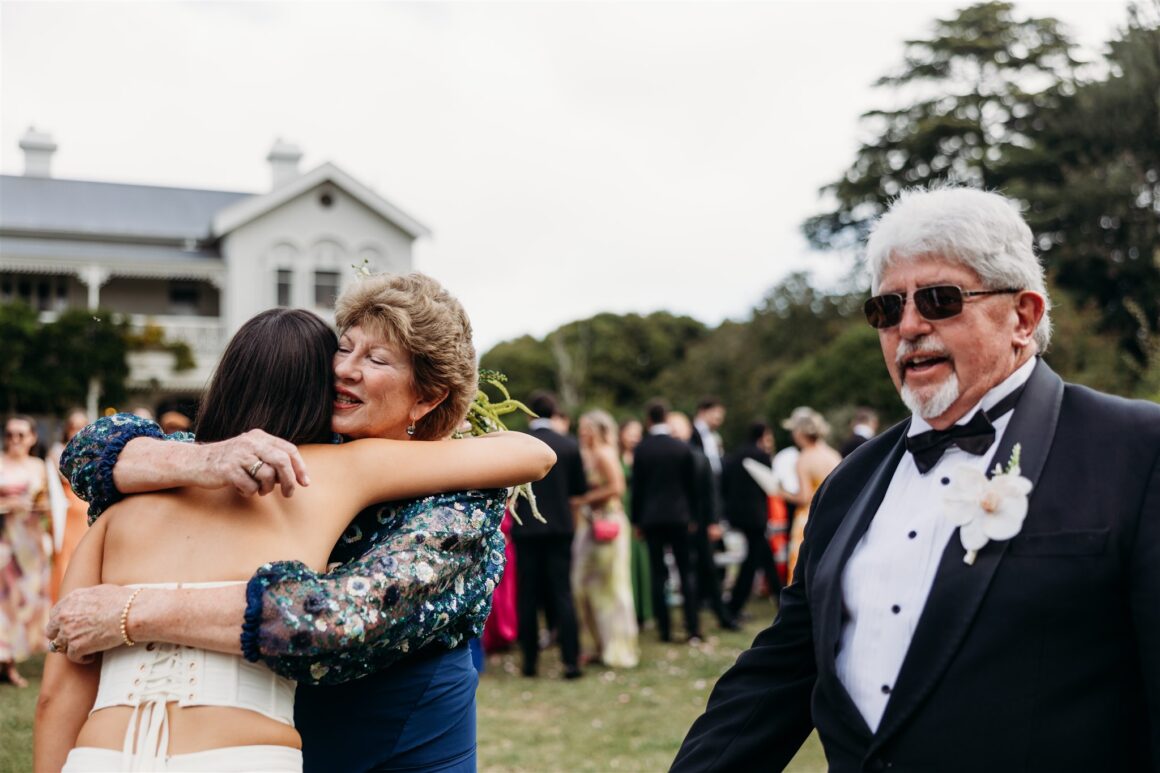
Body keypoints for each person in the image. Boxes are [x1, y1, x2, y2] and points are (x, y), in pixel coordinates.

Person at [672, 186, 1160, 772]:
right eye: (886, 308)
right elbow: (781, 671)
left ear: (1023, 317)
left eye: (938, 300)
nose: (907, 326)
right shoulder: (849, 482)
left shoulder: (1136, 450)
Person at [48, 272, 543, 772]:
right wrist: (204, 459)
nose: (344, 369)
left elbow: (333, 619)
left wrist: (130, 612)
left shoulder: (455, 498)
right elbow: (89, 452)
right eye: (343, 348)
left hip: (405, 741)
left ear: (427, 398)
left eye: (375, 359)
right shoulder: (266, 457)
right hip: (288, 733)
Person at [511, 391, 587, 679]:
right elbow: (578, 493)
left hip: (526, 530)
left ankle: (529, 663)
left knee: (528, 596)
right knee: (562, 593)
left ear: (529, 413)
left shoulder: (517, 443)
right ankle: (571, 662)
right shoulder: (568, 444)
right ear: (555, 413)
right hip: (560, 530)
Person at [570, 409, 638, 668]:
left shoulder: (604, 454)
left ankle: (617, 648)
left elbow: (617, 487)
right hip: (589, 525)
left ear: (597, 430)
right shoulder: (586, 454)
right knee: (583, 586)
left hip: (609, 525)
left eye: (586, 427)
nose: (581, 431)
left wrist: (584, 499)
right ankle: (596, 644)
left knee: (612, 588)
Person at [631, 399, 700, 643]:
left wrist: (636, 521)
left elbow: (637, 489)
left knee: (658, 574)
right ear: (666, 417)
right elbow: (692, 487)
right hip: (680, 517)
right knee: (686, 571)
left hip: (651, 519)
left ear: (648, 420)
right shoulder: (682, 447)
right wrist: (693, 516)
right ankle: (693, 627)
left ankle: (665, 630)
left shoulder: (641, 449)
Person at [668, 411, 737, 631]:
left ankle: (721, 615)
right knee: (688, 571)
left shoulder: (699, 456)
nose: (674, 431)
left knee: (708, 568)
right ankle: (693, 618)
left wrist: (713, 521)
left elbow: (711, 491)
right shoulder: (666, 458)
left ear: (688, 430)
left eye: (678, 427)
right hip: (679, 523)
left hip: (701, 522)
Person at [0, 415, 51, 688]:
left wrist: (42, 508)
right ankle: (6, 661)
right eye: (10, 434)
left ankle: (11, 658)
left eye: (20, 435)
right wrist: (8, 504)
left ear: (32, 438)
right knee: (4, 602)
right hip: (4, 540)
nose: (14, 440)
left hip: (30, 543)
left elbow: (46, 502)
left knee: (25, 601)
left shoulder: (38, 466)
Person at [722, 421, 781, 619]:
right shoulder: (761, 456)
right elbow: (771, 485)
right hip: (755, 516)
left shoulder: (735, 456)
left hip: (737, 515)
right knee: (754, 560)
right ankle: (735, 605)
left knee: (761, 557)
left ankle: (778, 596)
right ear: (762, 436)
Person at [778, 406, 841, 582]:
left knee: (801, 570)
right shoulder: (833, 454)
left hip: (809, 517)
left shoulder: (804, 459)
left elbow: (804, 498)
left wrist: (781, 492)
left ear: (799, 433)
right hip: (833, 516)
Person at [49, 409, 91, 603]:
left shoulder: (92, 450)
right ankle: (62, 597)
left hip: (86, 507)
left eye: (81, 426)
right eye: (73, 426)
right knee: (65, 554)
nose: (77, 430)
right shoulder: (58, 450)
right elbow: (63, 476)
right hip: (66, 509)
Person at [618, 418, 652, 627]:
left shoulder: (644, 456)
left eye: (638, 433)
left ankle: (644, 610)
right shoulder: (615, 456)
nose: (634, 437)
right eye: (630, 433)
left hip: (639, 512)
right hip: (622, 509)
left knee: (642, 561)